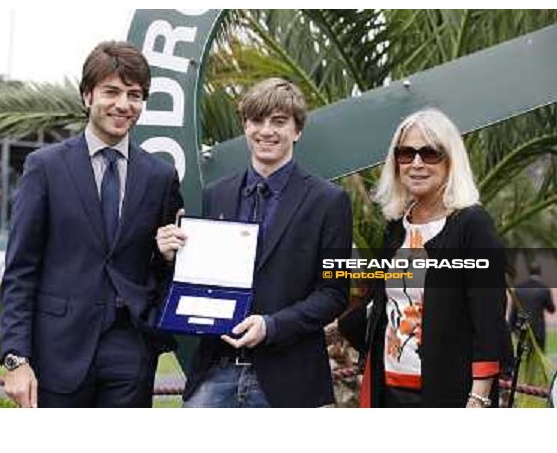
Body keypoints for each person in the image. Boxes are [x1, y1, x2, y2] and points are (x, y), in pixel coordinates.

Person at [0, 41, 183, 408]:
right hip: (57, 350)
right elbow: (20, 270)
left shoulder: (161, 176)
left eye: (134, 95)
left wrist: (166, 258)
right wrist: (16, 359)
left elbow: (166, 264)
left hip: (131, 351)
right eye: (111, 92)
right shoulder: (44, 167)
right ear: (87, 96)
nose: (123, 104)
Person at [157, 78, 353, 407]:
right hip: (214, 373)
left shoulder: (329, 201)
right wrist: (170, 255)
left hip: (289, 379)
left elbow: (333, 293)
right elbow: (201, 279)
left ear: (297, 130)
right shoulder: (215, 195)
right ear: (245, 126)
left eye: (278, 121)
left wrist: (272, 325)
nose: (266, 131)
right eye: (256, 121)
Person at [340, 108, 510, 408]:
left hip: (448, 393)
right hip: (386, 388)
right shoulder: (396, 227)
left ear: (451, 161)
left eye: (429, 153)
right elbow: (381, 303)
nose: (416, 163)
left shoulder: (472, 225)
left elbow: (488, 320)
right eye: (406, 154)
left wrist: (478, 397)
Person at [508, 263, 555, 352]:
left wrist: (511, 328)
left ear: (529, 272)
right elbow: (551, 309)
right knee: (538, 355)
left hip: (521, 328)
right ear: (540, 272)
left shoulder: (518, 288)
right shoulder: (544, 289)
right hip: (538, 329)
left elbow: (513, 310)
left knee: (522, 355)